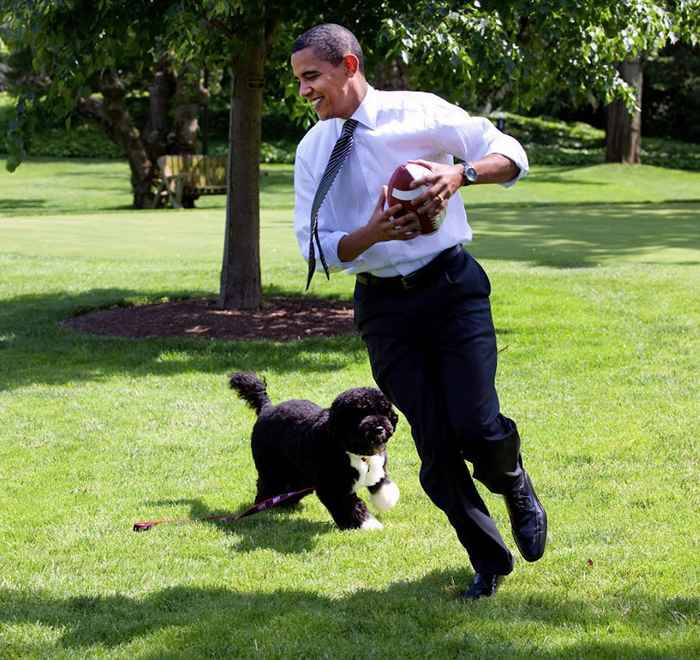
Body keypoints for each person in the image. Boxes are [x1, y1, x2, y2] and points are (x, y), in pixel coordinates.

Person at [291, 23, 547, 600]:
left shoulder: (419, 112)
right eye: (300, 81)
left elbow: (511, 152)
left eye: (313, 77)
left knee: (477, 427)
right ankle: (488, 561)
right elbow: (314, 245)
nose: (305, 91)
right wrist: (371, 232)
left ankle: (514, 482)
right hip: (384, 309)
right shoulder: (312, 151)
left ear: (349, 67)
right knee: (433, 445)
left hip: (452, 289)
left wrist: (460, 174)